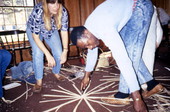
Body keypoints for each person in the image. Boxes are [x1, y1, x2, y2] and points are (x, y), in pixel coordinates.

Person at [70, 0, 154, 111]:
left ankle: (127, 93)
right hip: (129, 10)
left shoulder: (106, 30)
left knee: (129, 55)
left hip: (140, 6)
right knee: (129, 52)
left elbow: (123, 61)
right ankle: (152, 84)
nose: (89, 48)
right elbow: (92, 50)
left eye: (87, 45)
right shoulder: (88, 28)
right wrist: (87, 75)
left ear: (86, 33)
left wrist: (137, 99)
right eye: (86, 47)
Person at [26, 0, 69, 93]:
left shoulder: (63, 12)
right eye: (52, 3)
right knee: (38, 53)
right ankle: (39, 80)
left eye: (58, 3)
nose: (56, 6)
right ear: (46, 3)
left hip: (50, 29)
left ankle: (56, 72)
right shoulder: (38, 11)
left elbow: (64, 31)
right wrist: (48, 54)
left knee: (59, 52)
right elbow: (36, 37)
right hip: (35, 31)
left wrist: (65, 51)